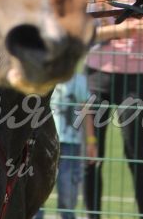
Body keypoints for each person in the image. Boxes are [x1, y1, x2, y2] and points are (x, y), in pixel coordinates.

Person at [84, 14, 143, 217]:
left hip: (135, 80)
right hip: (95, 76)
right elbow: (85, 32)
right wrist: (120, 30)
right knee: (90, 156)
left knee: (137, 156)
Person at [49, 68, 98, 219]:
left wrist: (91, 141)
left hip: (71, 145)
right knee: (35, 189)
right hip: (46, 144)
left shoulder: (79, 81)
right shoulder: (46, 78)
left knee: (68, 194)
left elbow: (86, 113)